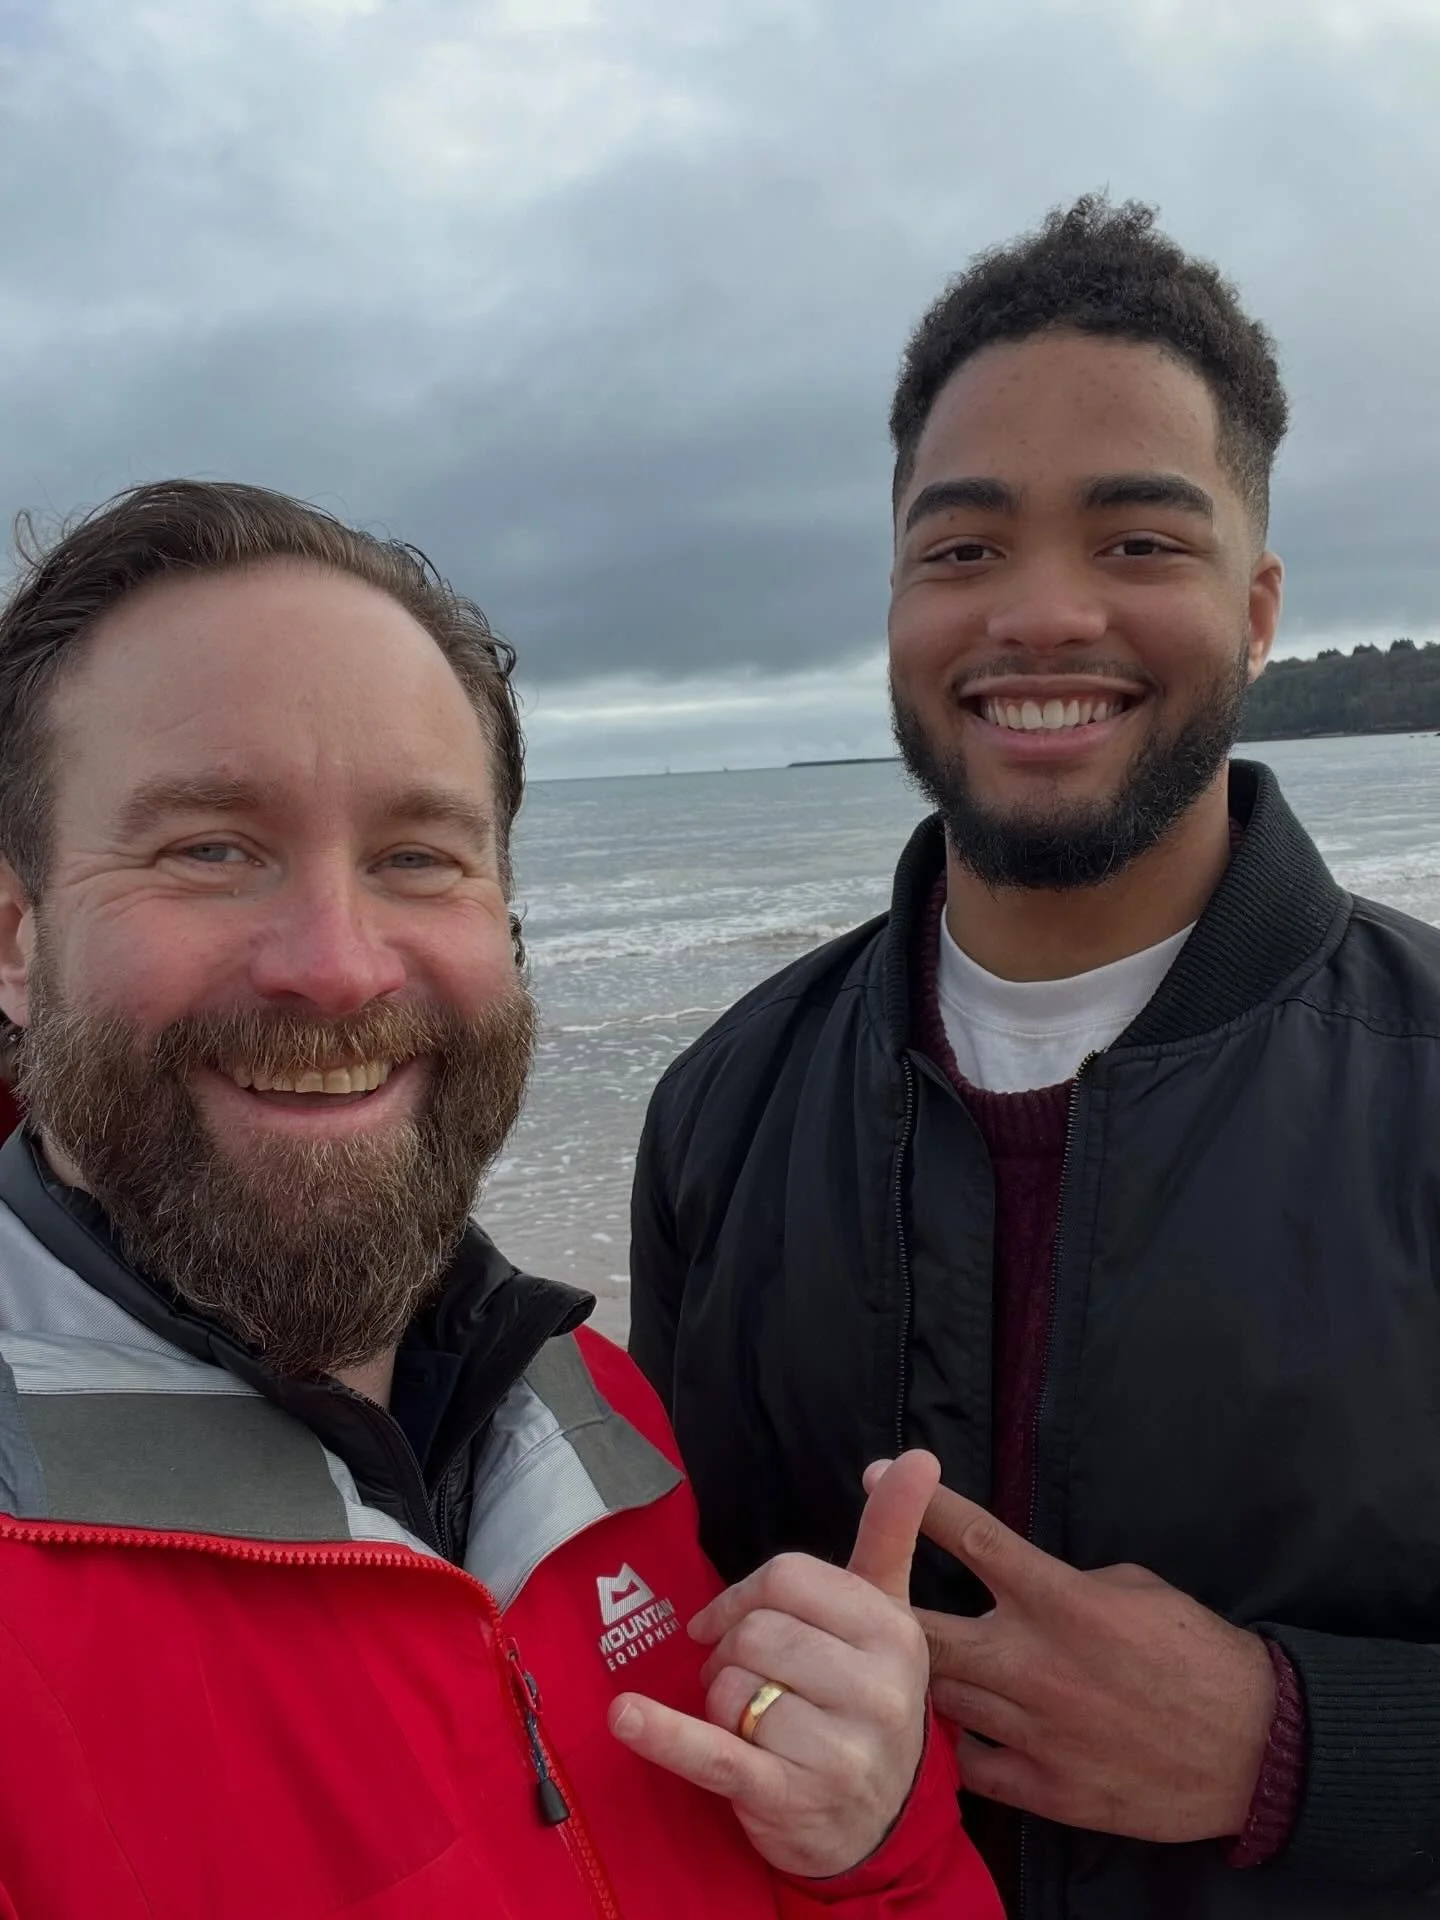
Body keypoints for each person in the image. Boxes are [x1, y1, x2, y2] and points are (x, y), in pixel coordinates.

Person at [0, 480, 1001, 1919]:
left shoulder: (597, 1415)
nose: (338, 965)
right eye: (210, 848)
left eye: (419, 857)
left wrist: (873, 1847)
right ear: (17, 938)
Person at [629, 194, 1440, 1917]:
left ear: (1262, 603)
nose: (1043, 617)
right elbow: (673, 1638)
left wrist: (1293, 1742)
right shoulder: (725, 1109)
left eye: (1142, 543)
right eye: (965, 548)